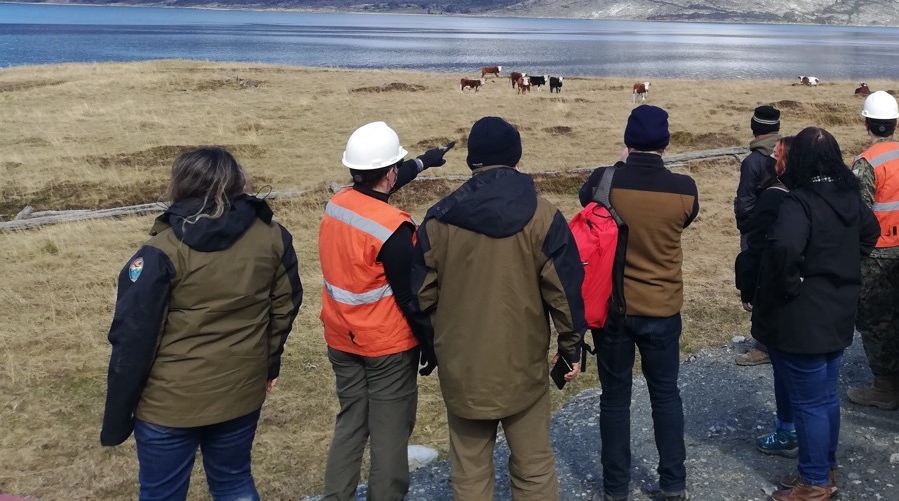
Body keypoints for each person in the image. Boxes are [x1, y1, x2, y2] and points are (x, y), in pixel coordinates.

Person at [101, 147, 303, 501]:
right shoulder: (273, 237)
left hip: (170, 404)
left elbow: (132, 338)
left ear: (180, 184)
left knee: (162, 494)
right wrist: (269, 364)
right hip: (241, 390)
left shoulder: (160, 252)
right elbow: (284, 308)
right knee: (234, 482)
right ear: (238, 181)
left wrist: (118, 413)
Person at [414, 117, 586, 500]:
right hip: (522, 366)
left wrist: (436, 346)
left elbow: (421, 298)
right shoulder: (544, 216)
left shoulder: (438, 220)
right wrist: (572, 347)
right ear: (516, 158)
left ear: (472, 160)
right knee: (534, 466)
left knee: (470, 471)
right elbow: (566, 291)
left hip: (462, 368)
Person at [319, 121, 450, 501]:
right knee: (391, 436)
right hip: (387, 348)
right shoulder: (393, 229)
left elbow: (378, 185)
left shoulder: (338, 204)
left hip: (340, 339)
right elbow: (412, 299)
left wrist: (425, 162)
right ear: (390, 172)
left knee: (351, 424)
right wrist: (429, 344)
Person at [580, 104, 699, 501]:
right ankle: (673, 484)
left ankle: (615, 488)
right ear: (666, 143)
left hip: (613, 310)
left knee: (614, 398)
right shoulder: (685, 190)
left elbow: (587, 203)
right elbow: (686, 220)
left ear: (628, 142)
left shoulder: (603, 180)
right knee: (665, 394)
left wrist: (620, 164)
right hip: (663, 308)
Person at [754, 127, 879, 501]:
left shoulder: (799, 201)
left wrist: (793, 283)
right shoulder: (850, 196)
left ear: (801, 159)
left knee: (809, 401)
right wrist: (843, 262)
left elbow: (784, 248)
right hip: (839, 307)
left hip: (804, 313)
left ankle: (814, 482)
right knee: (825, 397)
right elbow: (871, 234)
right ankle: (823, 470)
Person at [846, 90, 899, 410]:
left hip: (876, 252)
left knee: (875, 318)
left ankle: (882, 388)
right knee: (897, 316)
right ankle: (897, 384)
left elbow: (858, 213)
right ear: (894, 123)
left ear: (866, 122)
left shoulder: (867, 163)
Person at [734, 135, 797, 457]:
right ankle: (820, 457)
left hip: (781, 297)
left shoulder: (774, 197)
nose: (773, 157)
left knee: (788, 371)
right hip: (825, 303)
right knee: (821, 389)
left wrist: (748, 286)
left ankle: (789, 432)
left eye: (778, 154)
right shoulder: (825, 194)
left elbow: (759, 247)